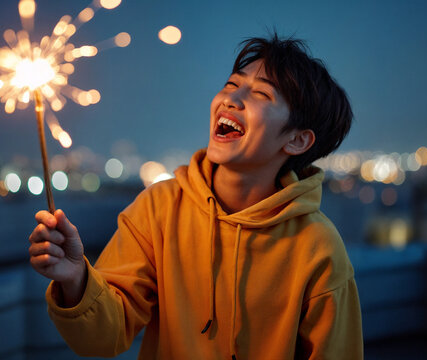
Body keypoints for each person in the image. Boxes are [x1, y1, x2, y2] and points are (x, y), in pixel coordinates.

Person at [29, 34, 363, 359]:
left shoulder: (318, 246)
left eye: (261, 94)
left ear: (297, 141)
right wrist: (75, 279)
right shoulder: (158, 209)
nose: (231, 98)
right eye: (232, 84)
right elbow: (104, 338)